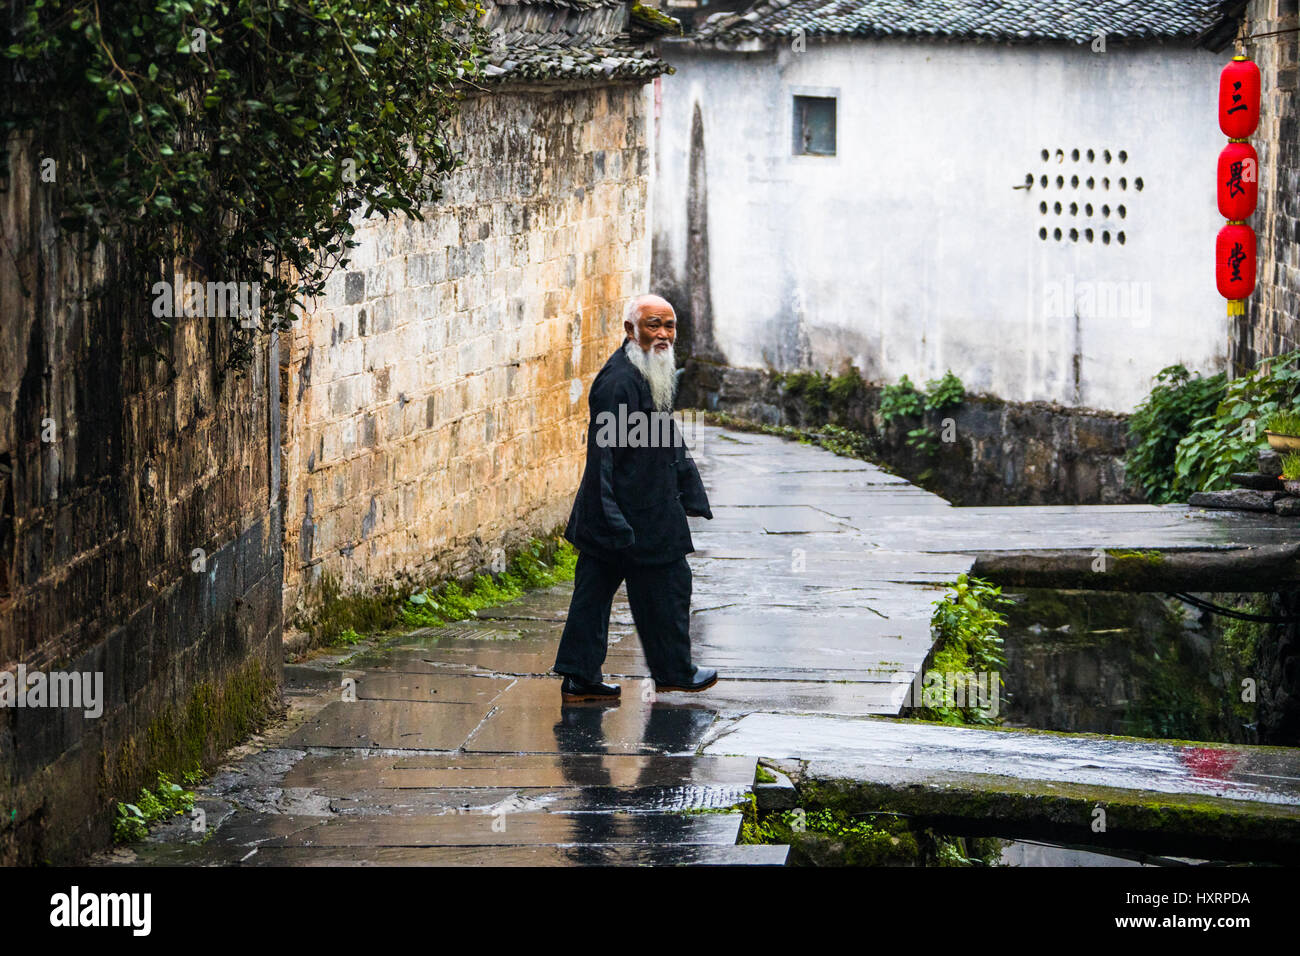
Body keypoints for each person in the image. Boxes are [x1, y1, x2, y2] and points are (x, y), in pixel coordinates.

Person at [553, 294, 717, 701]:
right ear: (631, 330)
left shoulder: (650, 369)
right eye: (653, 325)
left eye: (669, 326)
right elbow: (603, 458)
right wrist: (612, 519)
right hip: (626, 517)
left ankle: (580, 677)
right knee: (668, 585)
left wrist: (689, 486)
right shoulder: (619, 382)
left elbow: (663, 434)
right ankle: (674, 672)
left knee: (597, 596)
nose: (663, 334)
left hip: (638, 509)